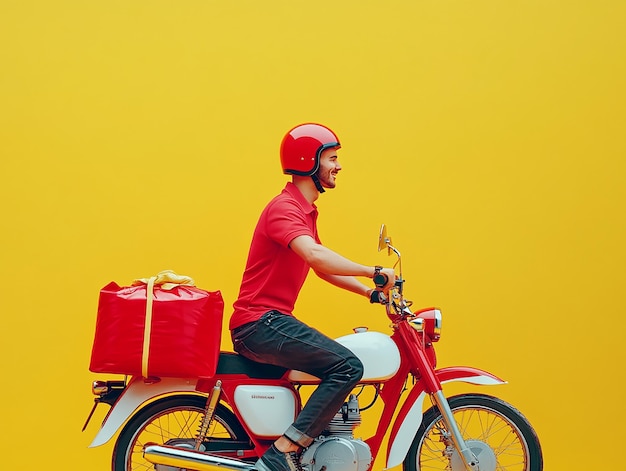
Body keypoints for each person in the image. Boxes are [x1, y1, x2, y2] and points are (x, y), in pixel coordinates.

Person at [230, 123, 396, 471]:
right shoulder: (284, 208)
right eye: (332, 159)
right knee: (347, 365)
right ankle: (283, 452)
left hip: (269, 322)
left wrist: (370, 293)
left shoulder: (303, 209)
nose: (338, 166)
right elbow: (316, 256)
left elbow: (321, 268)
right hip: (261, 323)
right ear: (309, 162)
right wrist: (373, 271)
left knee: (339, 364)